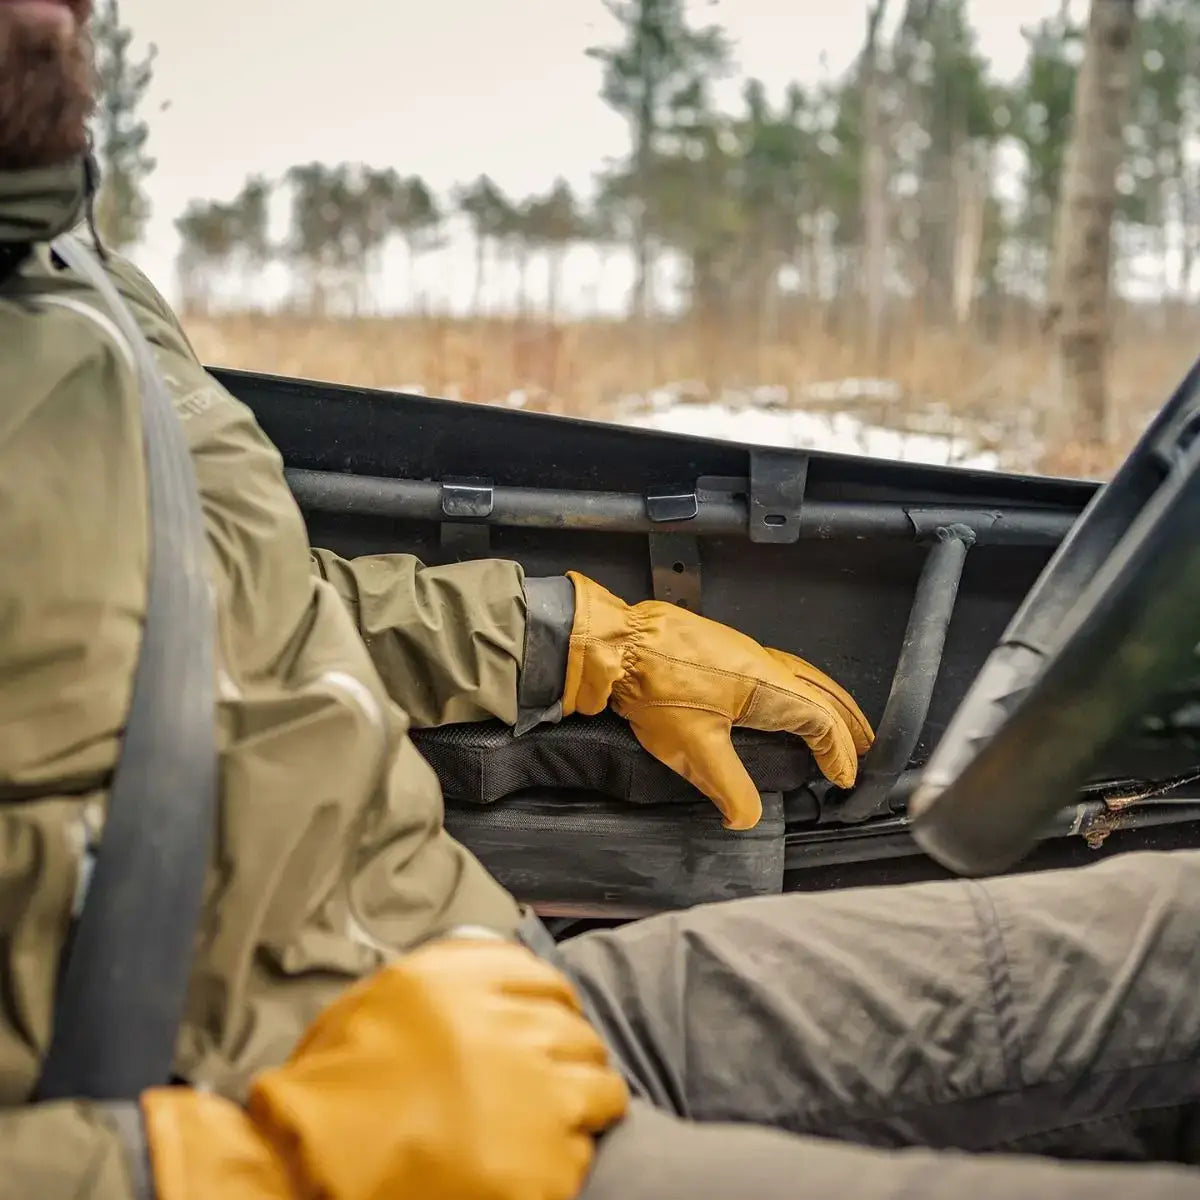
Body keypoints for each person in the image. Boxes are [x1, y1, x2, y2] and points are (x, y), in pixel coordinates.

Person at [2, 2, 1199, 1197]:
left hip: (480, 988)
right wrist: (248, 1169)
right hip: (321, 1139)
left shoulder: (76, 285)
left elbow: (240, 600)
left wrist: (592, 645)